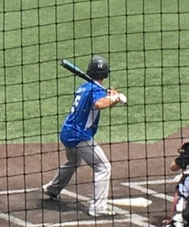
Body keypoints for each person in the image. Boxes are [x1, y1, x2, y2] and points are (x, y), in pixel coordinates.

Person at [42, 55, 127, 217]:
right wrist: (115, 97)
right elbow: (98, 104)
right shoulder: (95, 90)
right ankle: (98, 207)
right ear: (106, 74)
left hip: (67, 132)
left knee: (73, 161)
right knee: (103, 167)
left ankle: (52, 189)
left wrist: (112, 98)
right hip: (79, 136)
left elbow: (98, 101)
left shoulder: (85, 87)